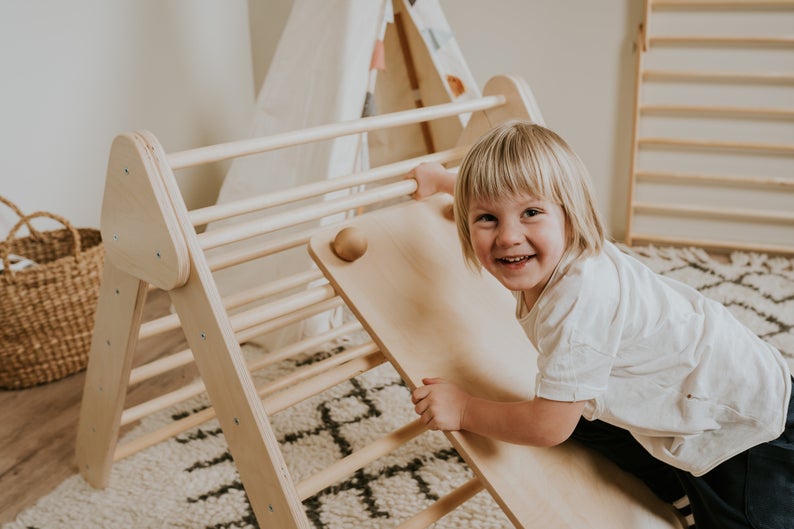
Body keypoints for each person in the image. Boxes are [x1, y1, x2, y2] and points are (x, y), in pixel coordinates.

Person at [408, 120, 793, 529]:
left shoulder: (577, 305)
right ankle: (673, 485)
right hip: (698, 385)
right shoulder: (559, 251)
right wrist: (446, 181)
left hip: (744, 430)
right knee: (582, 412)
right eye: (486, 218)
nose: (507, 237)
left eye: (531, 213)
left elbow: (548, 426)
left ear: (571, 218)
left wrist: (466, 409)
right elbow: (500, 197)